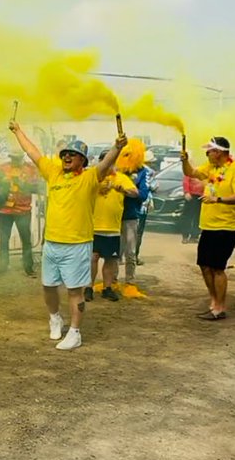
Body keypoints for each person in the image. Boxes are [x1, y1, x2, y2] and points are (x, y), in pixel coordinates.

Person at [9, 121, 126, 351]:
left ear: (83, 159)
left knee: (75, 291)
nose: (67, 157)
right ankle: (55, 318)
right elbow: (32, 152)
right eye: (65, 153)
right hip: (52, 242)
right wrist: (17, 131)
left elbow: (105, 164)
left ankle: (75, 332)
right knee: (48, 286)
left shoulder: (90, 177)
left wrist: (118, 147)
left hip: (77, 244)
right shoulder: (53, 173)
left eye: (73, 154)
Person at [181, 137, 235, 322]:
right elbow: (191, 172)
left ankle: (220, 307)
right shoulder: (210, 167)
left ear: (219, 152)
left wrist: (217, 199)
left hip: (226, 226)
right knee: (204, 264)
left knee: (218, 267)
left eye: (209, 151)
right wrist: (184, 160)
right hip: (208, 225)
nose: (207, 154)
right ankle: (214, 301)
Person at [87, 159, 136, 302]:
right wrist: (97, 187)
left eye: (112, 164)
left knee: (111, 259)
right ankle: (88, 288)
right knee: (93, 258)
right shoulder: (93, 177)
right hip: (94, 227)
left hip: (113, 228)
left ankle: (107, 288)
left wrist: (122, 189)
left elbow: (135, 192)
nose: (109, 166)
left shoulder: (121, 178)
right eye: (106, 163)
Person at [0, 152, 39, 276]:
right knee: (4, 240)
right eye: (13, 158)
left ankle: (29, 268)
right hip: (5, 210)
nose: (15, 160)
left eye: (17, 158)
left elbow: (36, 186)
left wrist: (23, 183)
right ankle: (3, 267)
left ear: (22, 157)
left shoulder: (30, 169)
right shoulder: (3, 167)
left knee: (26, 240)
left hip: (23, 210)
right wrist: (1, 182)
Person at [117, 139, 149, 279]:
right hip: (113, 216)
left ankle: (130, 281)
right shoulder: (116, 169)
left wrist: (127, 191)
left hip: (130, 216)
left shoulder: (143, 172)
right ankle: (111, 281)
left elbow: (143, 195)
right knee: (114, 253)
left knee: (130, 252)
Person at [180, 168, 204, 244]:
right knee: (187, 216)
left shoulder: (206, 169)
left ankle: (194, 236)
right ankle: (185, 236)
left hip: (202, 196)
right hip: (191, 195)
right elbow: (186, 181)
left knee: (198, 217)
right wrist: (186, 192)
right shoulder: (192, 169)